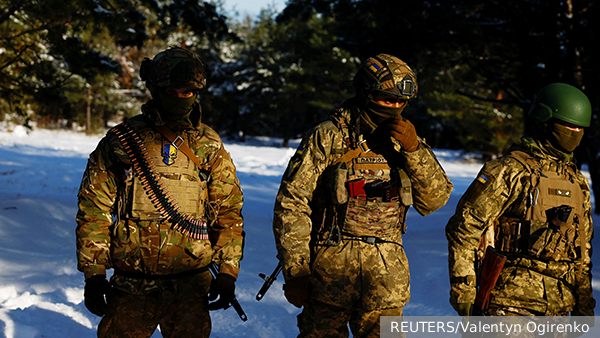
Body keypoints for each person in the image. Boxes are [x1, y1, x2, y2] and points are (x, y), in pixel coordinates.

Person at [272, 54, 453, 337]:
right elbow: (292, 202)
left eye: (400, 102)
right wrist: (297, 271)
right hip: (328, 277)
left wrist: (415, 151)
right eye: (386, 99)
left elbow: (434, 201)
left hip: (386, 281)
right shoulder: (328, 137)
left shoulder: (405, 139)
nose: (395, 108)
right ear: (366, 93)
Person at [75, 47, 244, 338]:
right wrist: (94, 274)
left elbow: (228, 214)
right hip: (130, 285)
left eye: (187, 92)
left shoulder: (210, 146)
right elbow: (93, 209)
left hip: (191, 286)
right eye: (171, 90)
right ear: (154, 88)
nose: (179, 98)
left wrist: (228, 271)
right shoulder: (121, 141)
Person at [446, 83, 595, 318]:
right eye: (567, 125)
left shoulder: (577, 181)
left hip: (560, 308)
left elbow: (582, 250)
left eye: (579, 127)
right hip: (510, 306)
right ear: (545, 121)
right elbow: (464, 229)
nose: (574, 132)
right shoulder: (509, 170)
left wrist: (584, 302)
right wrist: (464, 289)